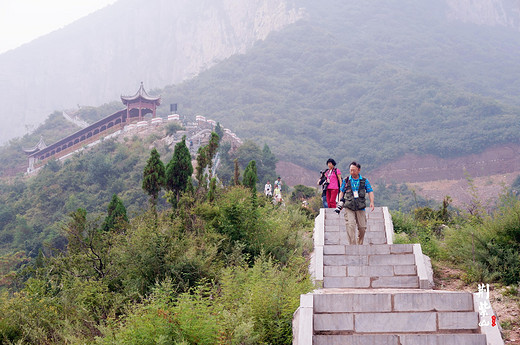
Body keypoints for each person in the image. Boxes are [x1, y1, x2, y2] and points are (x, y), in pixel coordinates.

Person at [338, 161, 375, 245]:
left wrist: (372, 202)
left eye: (354, 170)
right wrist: (340, 202)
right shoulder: (346, 180)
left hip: (360, 207)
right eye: (350, 170)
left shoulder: (364, 181)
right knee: (350, 225)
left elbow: (370, 191)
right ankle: (353, 245)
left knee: (362, 227)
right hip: (349, 206)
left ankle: (360, 243)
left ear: (359, 170)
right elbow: (341, 191)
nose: (352, 172)